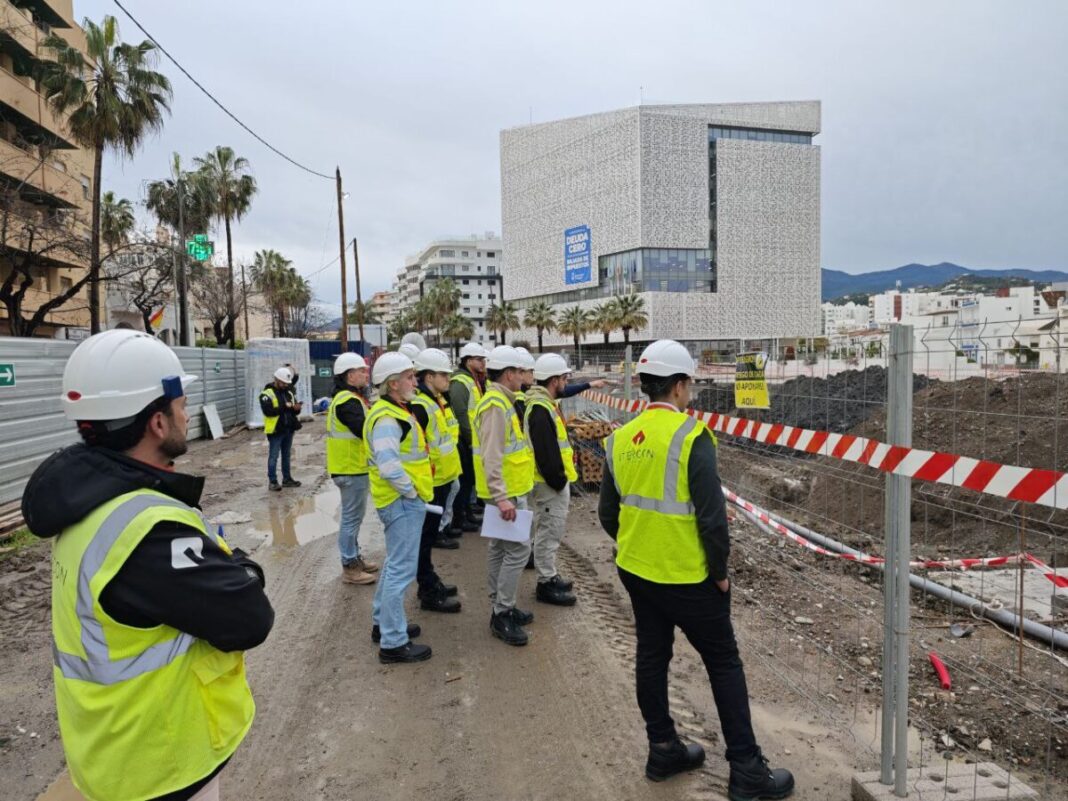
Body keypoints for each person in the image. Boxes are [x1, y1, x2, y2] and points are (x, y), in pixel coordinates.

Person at [21, 329, 273, 801]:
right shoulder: (148, 528)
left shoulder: (89, 504)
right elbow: (250, 619)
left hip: (113, 748)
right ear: (157, 422)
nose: (186, 411)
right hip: (162, 761)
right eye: (180, 402)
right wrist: (239, 565)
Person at [598, 339, 794, 799]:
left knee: (651, 655)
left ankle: (663, 747)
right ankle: (746, 769)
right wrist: (720, 571)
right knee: (724, 662)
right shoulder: (692, 437)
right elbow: (711, 518)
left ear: (646, 385)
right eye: (690, 384)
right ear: (681, 386)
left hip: (637, 570)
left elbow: (610, 514)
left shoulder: (620, 438)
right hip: (688, 575)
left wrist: (637, 545)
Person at [365, 351, 435, 663]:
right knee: (400, 570)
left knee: (395, 564)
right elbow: (390, 467)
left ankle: (384, 624)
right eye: (409, 377)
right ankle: (393, 642)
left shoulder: (394, 411)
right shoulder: (387, 419)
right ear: (393, 384)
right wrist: (411, 494)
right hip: (401, 502)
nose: (414, 381)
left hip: (399, 502)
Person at [473, 345, 536, 647]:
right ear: (509, 374)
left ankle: (501, 603)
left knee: (500, 547)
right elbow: (492, 455)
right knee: (519, 551)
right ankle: (501, 611)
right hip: (505, 493)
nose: (525, 377)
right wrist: (501, 496)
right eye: (521, 372)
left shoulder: (502, 401)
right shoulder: (496, 405)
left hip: (508, 490)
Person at [410, 348, 463, 613]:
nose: (448, 379)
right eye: (444, 375)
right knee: (425, 537)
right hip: (431, 482)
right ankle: (427, 589)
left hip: (441, 479)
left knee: (429, 536)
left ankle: (429, 579)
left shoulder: (435, 401)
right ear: (429, 376)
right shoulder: (421, 405)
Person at [524, 354, 579, 606]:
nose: (566, 383)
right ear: (554, 379)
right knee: (549, 531)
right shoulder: (539, 409)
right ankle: (545, 582)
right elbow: (546, 452)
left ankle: (549, 574)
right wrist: (558, 481)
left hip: (551, 483)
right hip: (549, 485)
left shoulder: (544, 404)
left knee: (548, 530)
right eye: (565, 378)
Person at [327, 352, 379, 585]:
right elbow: (363, 430)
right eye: (361, 371)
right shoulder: (347, 401)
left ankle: (355, 558)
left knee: (354, 518)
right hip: (350, 468)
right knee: (351, 519)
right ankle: (350, 566)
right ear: (349, 375)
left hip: (351, 467)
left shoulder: (349, 398)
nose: (365, 374)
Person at [449, 341, 488, 533]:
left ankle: (466, 514)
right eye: (479, 359)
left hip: (473, 437)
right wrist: (471, 437)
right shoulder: (460, 382)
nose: (482, 363)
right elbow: (461, 411)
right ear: (468, 360)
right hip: (465, 439)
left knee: (470, 480)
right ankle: (459, 518)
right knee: (464, 481)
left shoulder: (472, 379)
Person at [260, 366, 302, 492]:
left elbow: (291, 411)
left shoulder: (287, 392)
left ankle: (287, 479)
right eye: (283, 383)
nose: (285, 385)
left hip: (288, 429)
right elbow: (269, 412)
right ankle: (272, 482)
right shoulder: (266, 394)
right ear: (277, 380)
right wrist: (286, 406)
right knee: (273, 456)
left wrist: (296, 409)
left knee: (286, 455)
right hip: (276, 431)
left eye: (286, 383)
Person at [513, 346, 536, 417]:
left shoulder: (526, 393)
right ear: (521, 372)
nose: (533, 376)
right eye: (531, 371)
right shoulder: (519, 400)